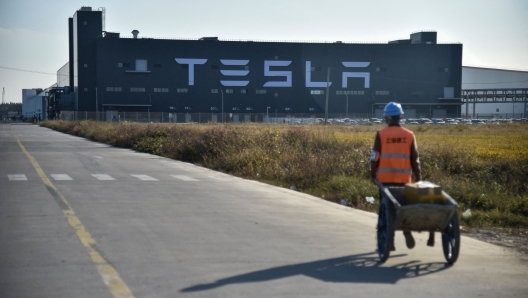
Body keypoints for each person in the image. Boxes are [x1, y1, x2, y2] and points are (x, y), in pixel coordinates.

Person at [370, 102, 434, 250]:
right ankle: (406, 230)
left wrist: (372, 174)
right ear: (401, 117)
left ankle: (389, 242)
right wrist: (419, 179)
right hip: (404, 181)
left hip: (385, 181)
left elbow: (375, 156)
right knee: (404, 208)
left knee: (385, 211)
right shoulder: (409, 135)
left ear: (386, 118)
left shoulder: (381, 134)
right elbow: (415, 160)